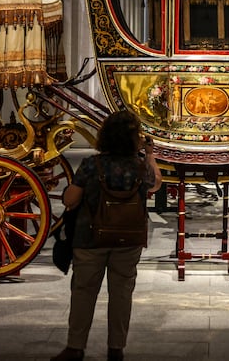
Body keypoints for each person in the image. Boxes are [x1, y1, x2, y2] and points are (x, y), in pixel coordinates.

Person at [52, 110, 163, 361]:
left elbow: (70, 200)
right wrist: (150, 154)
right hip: (128, 239)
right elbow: (156, 183)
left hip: (90, 239)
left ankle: (75, 347)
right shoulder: (139, 166)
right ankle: (116, 348)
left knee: (84, 291)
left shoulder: (93, 164)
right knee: (121, 293)